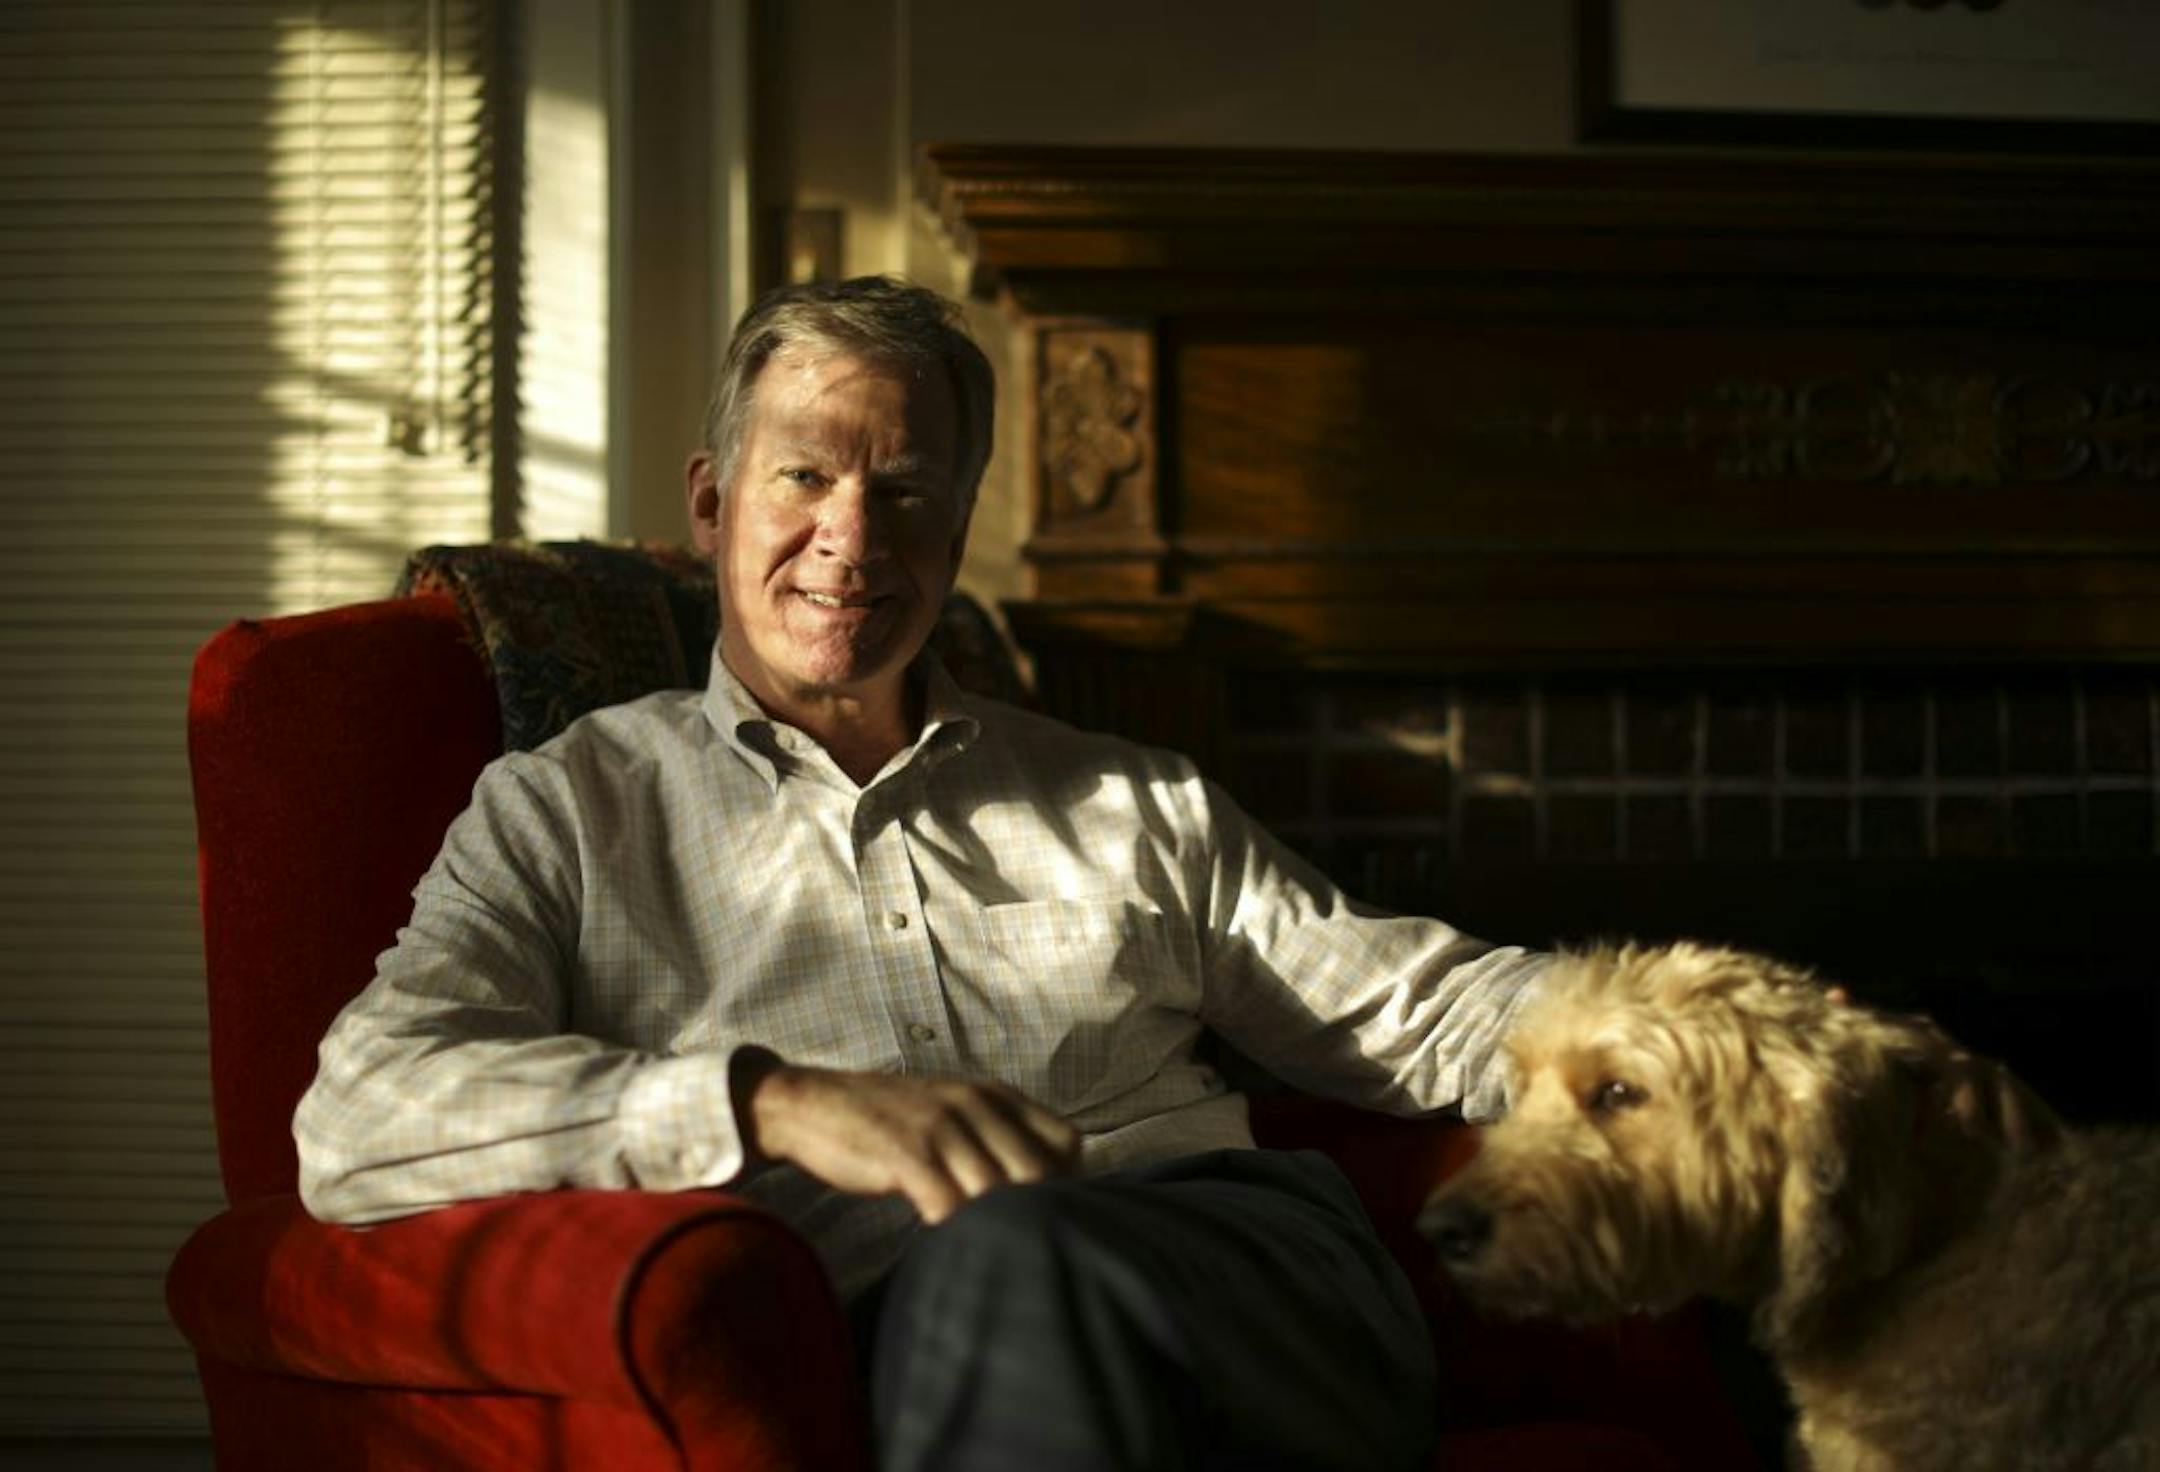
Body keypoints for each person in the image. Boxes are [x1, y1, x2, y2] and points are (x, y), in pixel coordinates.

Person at [295, 276, 1550, 1472]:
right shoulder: (570, 811)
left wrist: (1692, 1026)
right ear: (712, 502)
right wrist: (770, 1104)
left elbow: (1425, 1007)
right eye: (804, 475)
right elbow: (362, 1112)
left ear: (957, 524)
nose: (852, 539)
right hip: (921, 1356)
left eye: (905, 491)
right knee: (988, 1276)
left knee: (1009, 1260)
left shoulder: (1130, 798)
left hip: (1246, 1282)